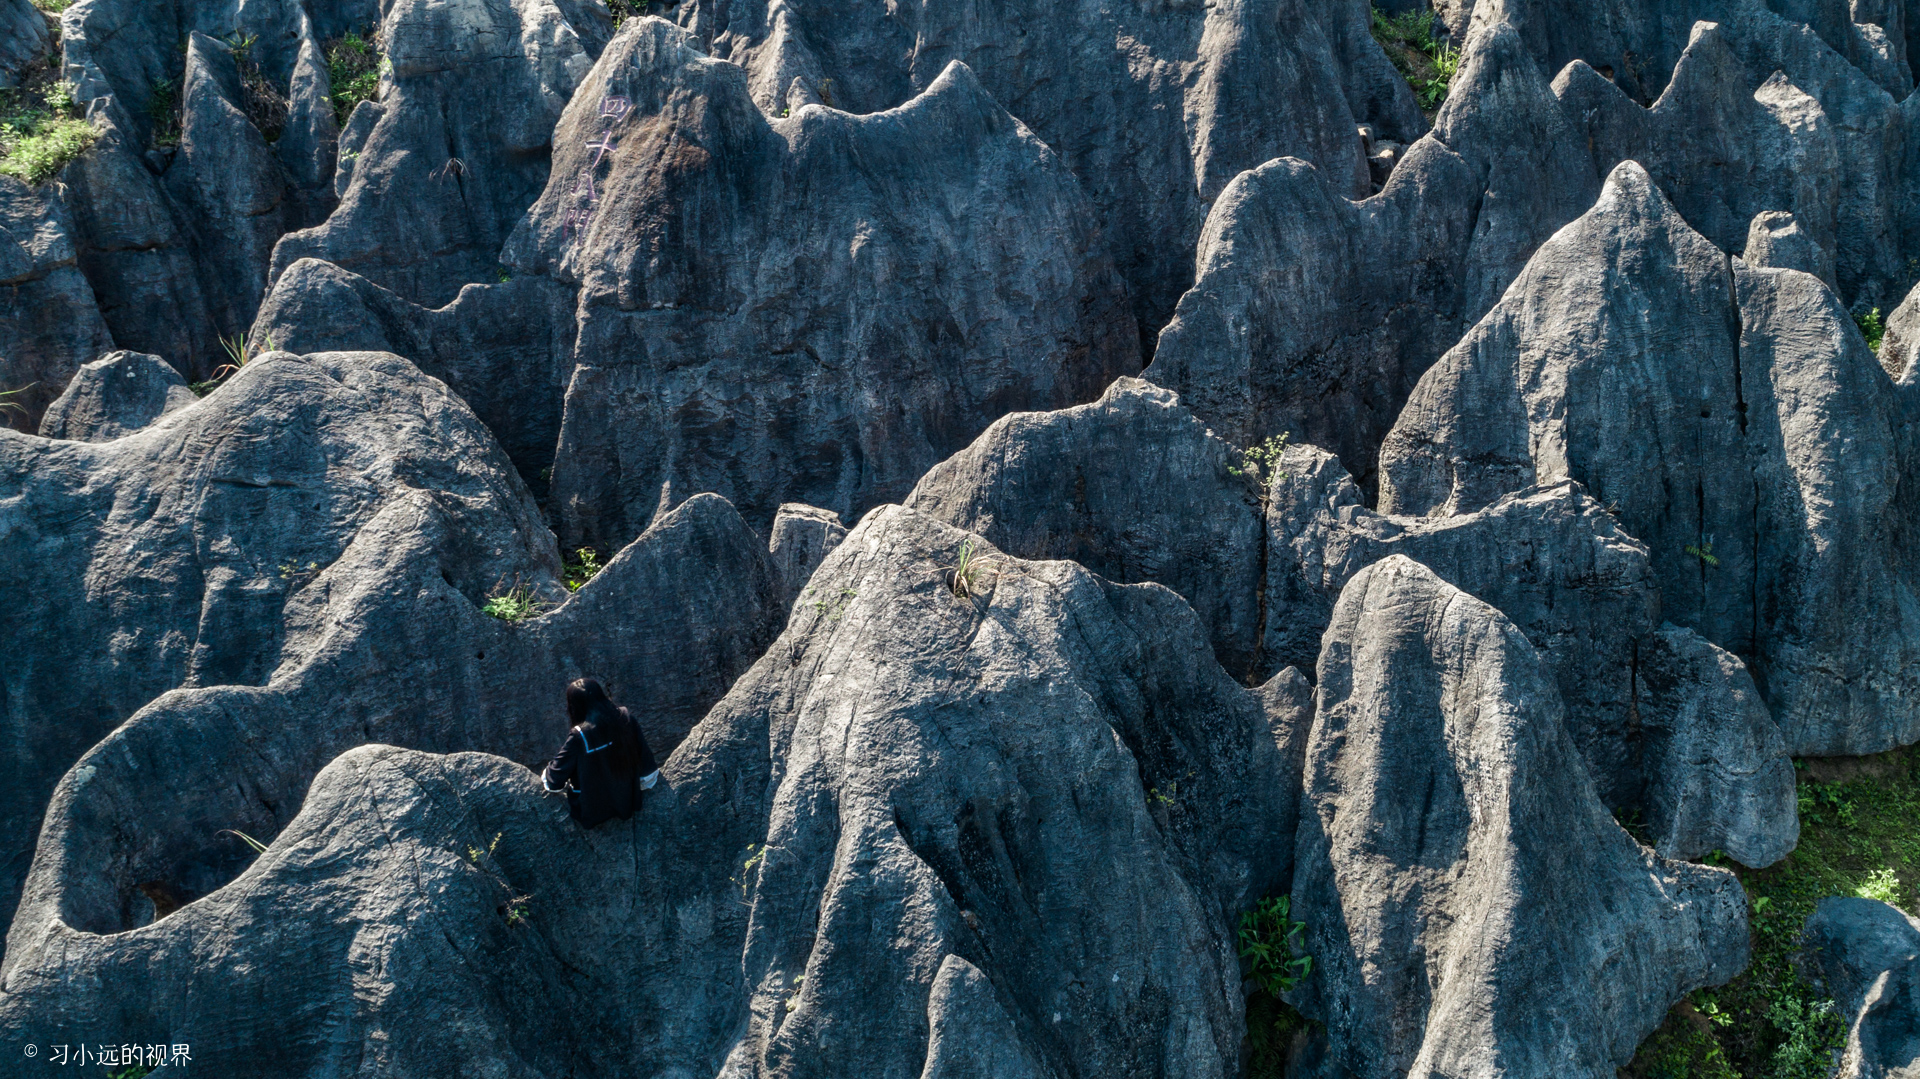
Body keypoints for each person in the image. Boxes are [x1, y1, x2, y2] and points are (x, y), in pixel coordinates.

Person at [540, 677, 660, 828]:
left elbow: (553, 783)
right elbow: (647, 764)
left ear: (574, 706)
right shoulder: (625, 717)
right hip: (628, 799)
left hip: (594, 811)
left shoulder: (580, 736)